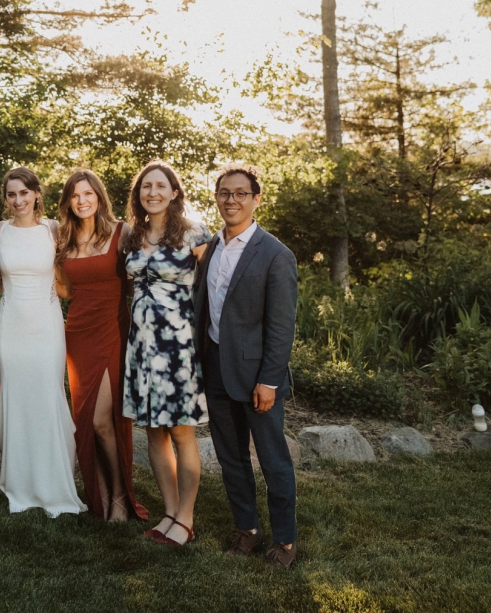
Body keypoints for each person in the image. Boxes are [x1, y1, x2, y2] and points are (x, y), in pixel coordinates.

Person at [194, 163, 299, 568]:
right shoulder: (210, 248)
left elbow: (280, 326)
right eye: (224, 193)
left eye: (240, 193)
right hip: (216, 368)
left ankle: (286, 540)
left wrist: (269, 381)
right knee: (230, 457)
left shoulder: (276, 255)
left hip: (259, 378)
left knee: (273, 461)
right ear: (217, 198)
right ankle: (248, 529)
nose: (231, 200)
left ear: (256, 199)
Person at [0, 167, 86, 518]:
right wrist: (16, 295)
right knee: (16, 397)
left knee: (48, 395)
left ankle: (55, 483)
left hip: (46, 326)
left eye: (24, 193)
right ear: (5, 199)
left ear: (36, 195)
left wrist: (44, 294)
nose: (18, 201)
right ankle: (20, 483)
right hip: (12, 326)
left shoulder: (54, 230)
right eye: (11, 195)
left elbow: (65, 281)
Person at [121, 161, 212, 546]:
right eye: (146, 186)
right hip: (141, 346)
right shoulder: (132, 236)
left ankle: (187, 519)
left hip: (177, 347)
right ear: (138, 194)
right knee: (154, 432)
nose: (152, 192)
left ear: (174, 192)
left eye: (160, 186)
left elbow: (213, 288)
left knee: (180, 432)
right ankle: (170, 512)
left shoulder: (194, 233)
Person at [55, 169, 148, 522]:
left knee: (103, 422)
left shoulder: (121, 233)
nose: (82, 200)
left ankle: (121, 496)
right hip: (77, 335)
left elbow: (134, 279)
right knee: (86, 420)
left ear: (99, 197)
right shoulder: (63, 240)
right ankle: (104, 497)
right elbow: (65, 289)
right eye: (75, 195)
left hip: (111, 330)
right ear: (68, 201)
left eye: (88, 194)